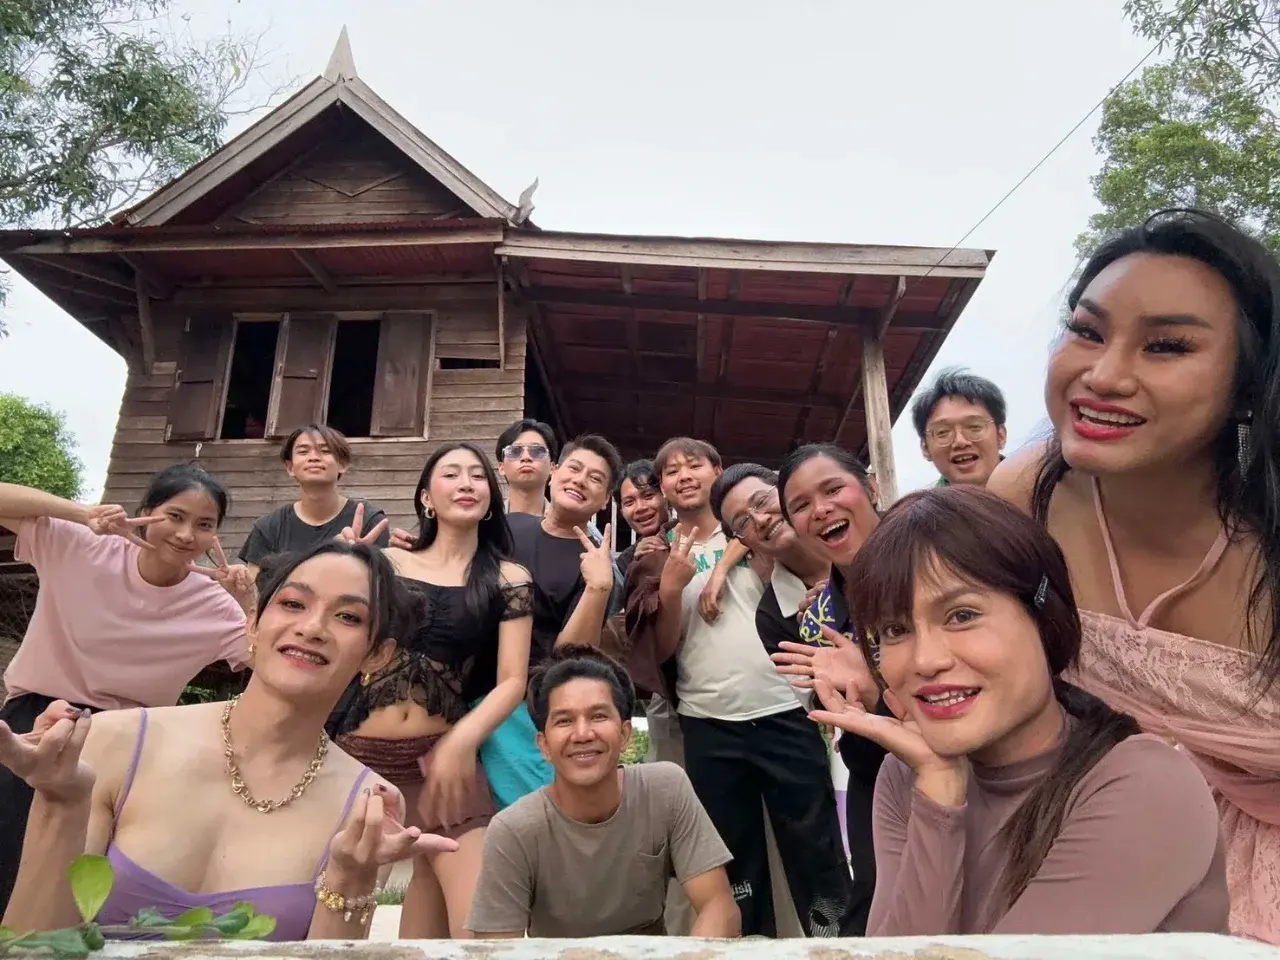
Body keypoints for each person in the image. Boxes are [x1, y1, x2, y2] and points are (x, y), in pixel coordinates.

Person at [989, 208, 1280, 944]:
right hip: (1088, 851)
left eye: (1167, 346)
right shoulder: (1027, 497)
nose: (1104, 375)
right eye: (1087, 332)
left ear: (1249, 386)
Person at [811, 486, 1228, 935]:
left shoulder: (1145, 785)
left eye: (962, 615)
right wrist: (939, 792)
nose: (925, 660)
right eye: (895, 630)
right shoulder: (907, 775)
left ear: (1044, 617)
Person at [0, 540, 460, 940]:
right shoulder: (116, 742)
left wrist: (350, 877)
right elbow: (31, 944)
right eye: (293, 604)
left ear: (377, 655)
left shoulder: (367, 805)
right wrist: (61, 803)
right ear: (254, 622)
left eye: (347, 616)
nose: (312, 627)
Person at [0, 465, 253, 914]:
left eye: (204, 524)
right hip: (39, 720)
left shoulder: (216, 603)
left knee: (91, 883)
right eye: (174, 516)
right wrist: (82, 513)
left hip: (133, 743)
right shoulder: (84, 544)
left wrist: (248, 603)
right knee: (11, 857)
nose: (186, 534)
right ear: (145, 512)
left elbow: (269, 662)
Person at [331, 442, 533, 939]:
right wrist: (342, 567)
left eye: (478, 476)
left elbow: (512, 680)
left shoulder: (509, 579)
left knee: (484, 931)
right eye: (451, 474)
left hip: (443, 762)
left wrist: (461, 741)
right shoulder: (384, 564)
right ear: (426, 497)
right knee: (338, 914)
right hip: (355, 760)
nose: (466, 483)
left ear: (491, 499)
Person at [630, 437, 808, 937]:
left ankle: (826, 940)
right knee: (735, 852)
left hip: (783, 705)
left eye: (694, 465)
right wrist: (671, 587)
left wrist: (725, 563)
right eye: (671, 471)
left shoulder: (757, 530)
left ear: (718, 470)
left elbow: (788, 543)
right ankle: (748, 941)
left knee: (809, 844)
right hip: (706, 718)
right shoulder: (657, 555)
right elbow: (663, 650)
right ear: (662, 487)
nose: (684, 476)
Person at [466, 646, 739, 939]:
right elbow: (496, 947)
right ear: (544, 745)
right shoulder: (515, 830)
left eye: (598, 716)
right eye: (564, 720)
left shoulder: (665, 790)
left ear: (624, 734)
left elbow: (718, 904)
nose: (583, 734)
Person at [708, 462, 863, 937]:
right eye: (742, 522)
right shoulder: (775, 615)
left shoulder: (875, 550)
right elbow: (825, 705)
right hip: (871, 759)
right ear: (744, 543)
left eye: (762, 501)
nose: (760, 519)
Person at [770, 443, 890, 935]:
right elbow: (840, 714)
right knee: (874, 905)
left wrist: (878, 687)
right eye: (800, 506)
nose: (820, 510)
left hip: (966, 772)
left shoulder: (937, 562)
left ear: (871, 487)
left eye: (833, 489)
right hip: (875, 780)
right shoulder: (816, 617)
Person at [238, 424, 391, 581]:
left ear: (342, 464)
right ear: (290, 467)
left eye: (325, 451)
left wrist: (360, 559)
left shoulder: (370, 521)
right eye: (303, 452)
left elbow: (383, 586)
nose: (313, 458)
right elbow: (254, 590)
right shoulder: (268, 527)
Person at [909, 368, 1008, 487]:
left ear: (1001, 436)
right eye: (943, 432)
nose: (960, 442)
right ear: (925, 448)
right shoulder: (921, 500)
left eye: (974, 427)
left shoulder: (1029, 491)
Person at [616, 459, 670, 577]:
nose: (640, 508)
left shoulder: (691, 533)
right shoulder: (624, 562)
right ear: (622, 512)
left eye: (648, 496)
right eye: (629, 502)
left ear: (666, 494)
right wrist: (637, 566)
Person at [495, 419, 558, 517]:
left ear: (552, 468)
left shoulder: (568, 524)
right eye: (515, 451)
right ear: (501, 467)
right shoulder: (485, 523)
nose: (526, 457)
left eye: (537, 451)